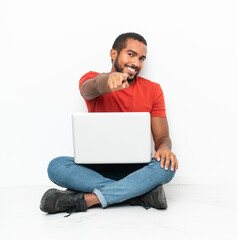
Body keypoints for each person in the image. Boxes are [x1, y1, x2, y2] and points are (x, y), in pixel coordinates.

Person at [40, 32, 178, 216]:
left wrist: (165, 148)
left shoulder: (153, 89)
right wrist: (106, 82)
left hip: (136, 170)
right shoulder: (93, 78)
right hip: (94, 169)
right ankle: (138, 195)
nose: (137, 64)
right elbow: (91, 87)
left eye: (142, 58)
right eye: (131, 54)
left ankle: (88, 200)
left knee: (166, 167)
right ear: (114, 54)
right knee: (56, 166)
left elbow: (162, 137)